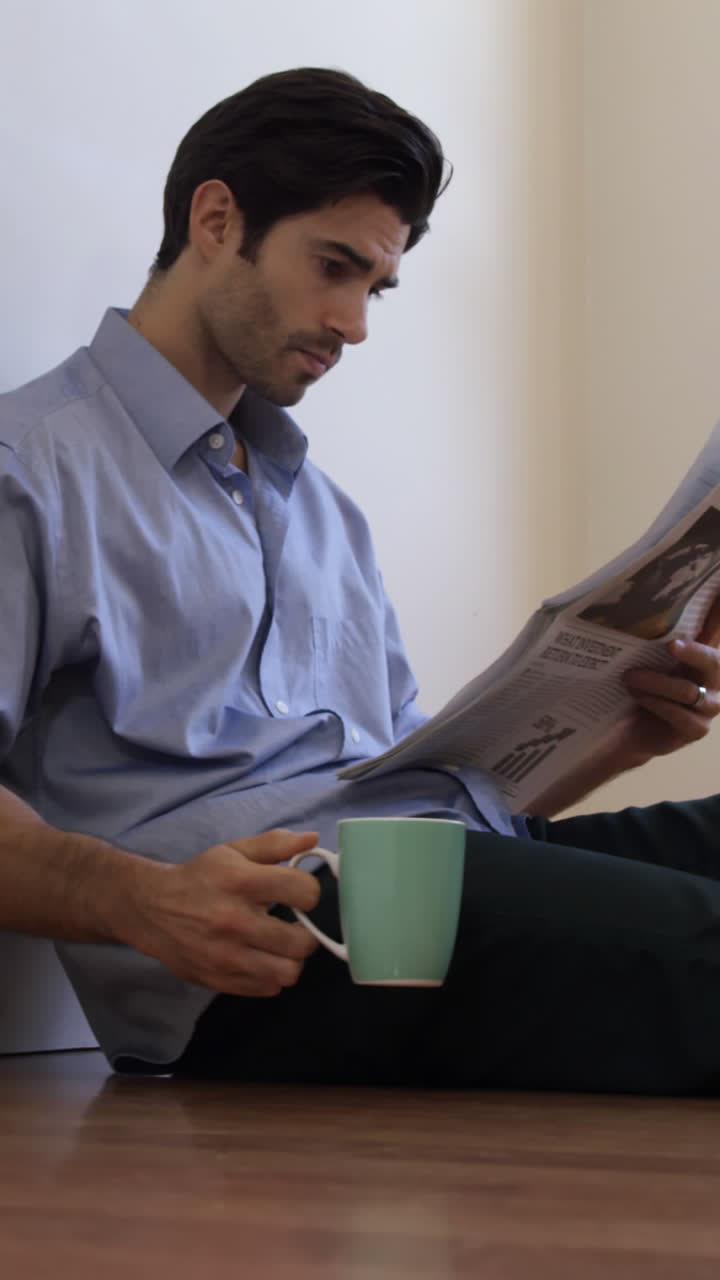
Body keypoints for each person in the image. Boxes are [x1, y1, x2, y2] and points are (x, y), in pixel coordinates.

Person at [2, 67, 720, 1093]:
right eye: (333, 267)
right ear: (216, 218)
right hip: (276, 940)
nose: (355, 323)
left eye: (374, 286)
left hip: (421, 872)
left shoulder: (321, 508)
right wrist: (138, 900)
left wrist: (619, 737)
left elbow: (421, 785)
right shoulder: (28, 466)